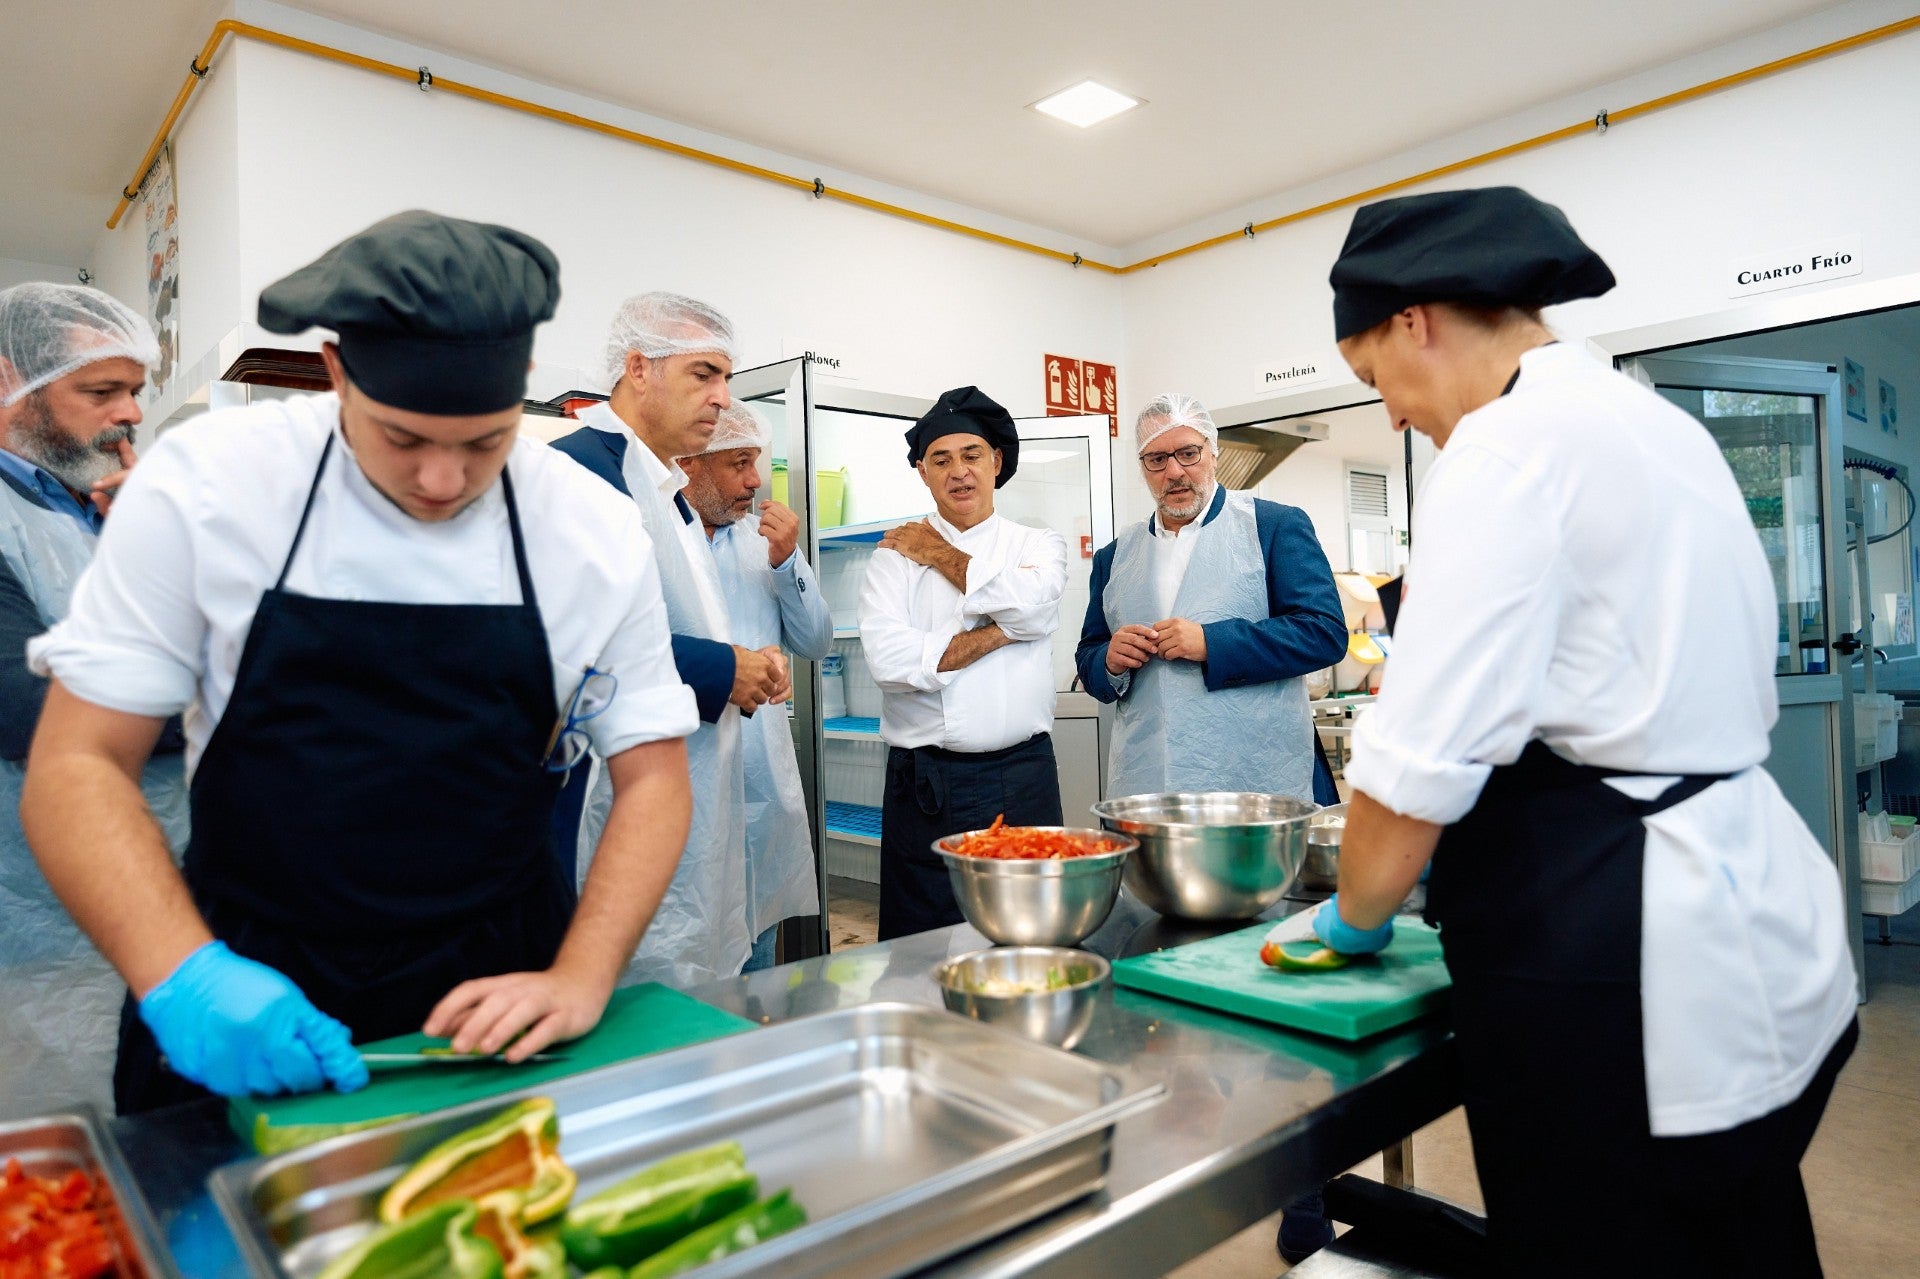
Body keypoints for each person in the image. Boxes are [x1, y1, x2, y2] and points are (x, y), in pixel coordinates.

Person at [1283, 185, 1858, 1276]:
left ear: (1415, 319)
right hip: (1753, 906)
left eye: (1373, 382)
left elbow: (1411, 776)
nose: (1393, 416)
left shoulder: (1505, 451)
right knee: (1739, 1239)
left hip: (1625, 953)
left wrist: (1354, 920)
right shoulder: (1652, 423)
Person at [22, 211, 700, 1112]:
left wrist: (582, 972)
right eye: (404, 439)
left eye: (484, 443)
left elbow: (651, 776)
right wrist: (180, 972)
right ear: (335, 372)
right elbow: (77, 760)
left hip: (497, 991)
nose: (442, 482)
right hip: (246, 974)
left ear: (523, 389)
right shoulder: (212, 484)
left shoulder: (588, 525)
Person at [551, 293, 787, 985]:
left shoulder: (664, 490)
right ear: (638, 369)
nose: (721, 398)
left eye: (727, 379)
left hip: (690, 800)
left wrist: (746, 662)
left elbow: (659, 625)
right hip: (612, 799)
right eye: (703, 374)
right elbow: (579, 646)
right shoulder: (583, 473)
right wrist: (725, 668)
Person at [0, 283, 190, 1114]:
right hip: (41, 924)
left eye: (135, 391)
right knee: (65, 1143)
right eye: (99, 392)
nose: (129, 416)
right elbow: (20, 706)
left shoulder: (89, 508)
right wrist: (221, 701)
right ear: (9, 384)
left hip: (159, 885)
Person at [858, 386, 1068, 938]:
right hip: (926, 784)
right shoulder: (893, 556)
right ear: (922, 473)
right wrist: (1007, 631)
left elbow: (1038, 603)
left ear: (997, 462)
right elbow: (889, 662)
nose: (959, 472)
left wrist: (941, 556)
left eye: (972, 455)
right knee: (920, 944)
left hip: (1023, 777)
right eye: (941, 460)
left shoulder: (1038, 544)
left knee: (1031, 932)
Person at [1075, 393, 1347, 804]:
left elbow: (1324, 633)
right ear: (1143, 468)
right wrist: (1108, 661)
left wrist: (1212, 643)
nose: (1174, 472)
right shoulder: (1115, 557)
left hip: (1255, 775)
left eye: (1188, 453)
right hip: (1148, 779)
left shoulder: (1273, 527)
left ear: (1213, 453)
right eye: (1157, 459)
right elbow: (1089, 654)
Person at [680, 403, 833, 971]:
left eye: (756, 464)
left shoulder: (761, 543)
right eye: (738, 464)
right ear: (689, 464)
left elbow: (816, 641)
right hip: (686, 769)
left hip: (761, 773)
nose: (754, 481)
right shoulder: (664, 542)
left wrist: (786, 560)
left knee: (756, 949)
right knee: (690, 947)